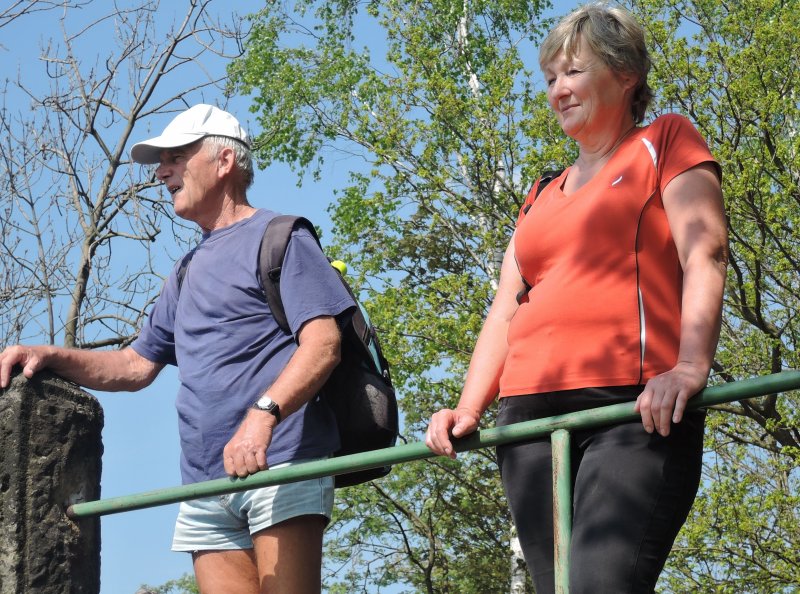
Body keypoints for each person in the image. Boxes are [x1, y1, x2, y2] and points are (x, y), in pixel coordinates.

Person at [425, 4, 728, 593]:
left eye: (574, 73)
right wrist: (470, 407)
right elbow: (506, 307)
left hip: (632, 409)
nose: (559, 91)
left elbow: (704, 252)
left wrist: (690, 368)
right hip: (528, 422)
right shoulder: (541, 194)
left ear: (625, 74)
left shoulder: (665, 141)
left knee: (599, 586)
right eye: (550, 79)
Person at [0, 104, 355, 594]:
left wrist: (262, 417)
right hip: (205, 484)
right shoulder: (186, 270)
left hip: (283, 462)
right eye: (160, 160)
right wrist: (51, 355)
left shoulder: (282, 237)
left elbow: (323, 344)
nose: (162, 171)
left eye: (177, 156)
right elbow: (134, 364)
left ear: (224, 160)